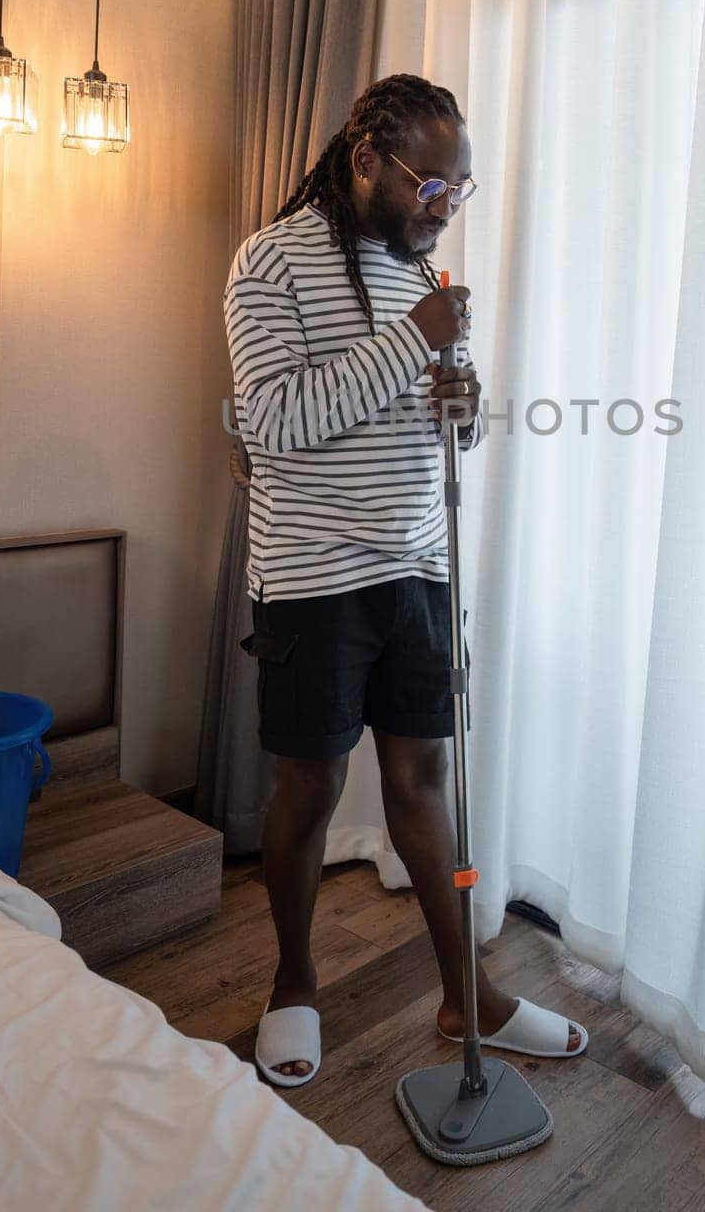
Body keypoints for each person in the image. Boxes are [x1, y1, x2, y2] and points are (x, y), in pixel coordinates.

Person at [224, 73, 586, 1086]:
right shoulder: (268, 262)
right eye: (430, 185)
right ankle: (293, 981)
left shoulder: (425, 285)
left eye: (457, 193)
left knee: (422, 782)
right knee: (310, 780)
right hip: (312, 578)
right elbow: (276, 424)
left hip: (417, 568)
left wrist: (460, 403)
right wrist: (411, 346)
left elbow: (440, 429)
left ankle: (465, 994)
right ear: (369, 159)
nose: (441, 208)